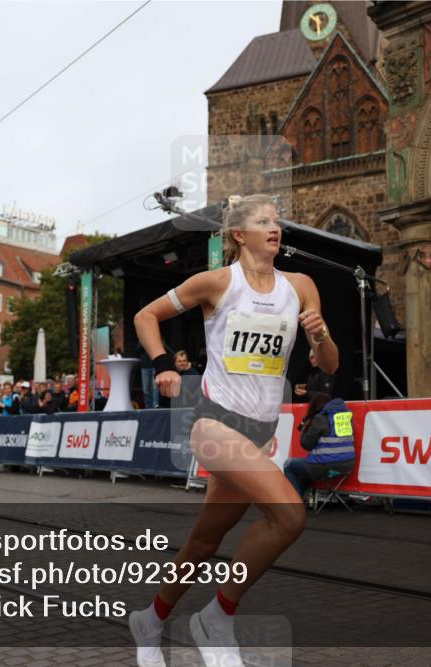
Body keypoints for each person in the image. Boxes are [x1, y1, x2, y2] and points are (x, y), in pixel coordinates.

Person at [129, 193, 337, 667]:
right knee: (289, 516)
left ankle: (152, 619)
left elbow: (329, 365)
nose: (275, 227)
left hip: (260, 432)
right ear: (239, 235)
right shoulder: (217, 282)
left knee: (204, 542)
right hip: (214, 423)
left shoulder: (301, 286)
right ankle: (217, 616)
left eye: (278, 221)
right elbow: (147, 316)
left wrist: (320, 335)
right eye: (264, 221)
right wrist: (163, 365)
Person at [283, 392, 356, 497]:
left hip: (326, 467)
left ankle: (295, 502)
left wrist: (305, 428)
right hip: (347, 466)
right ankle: (299, 497)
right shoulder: (346, 417)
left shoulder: (320, 419)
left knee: (289, 465)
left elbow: (306, 445)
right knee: (307, 469)